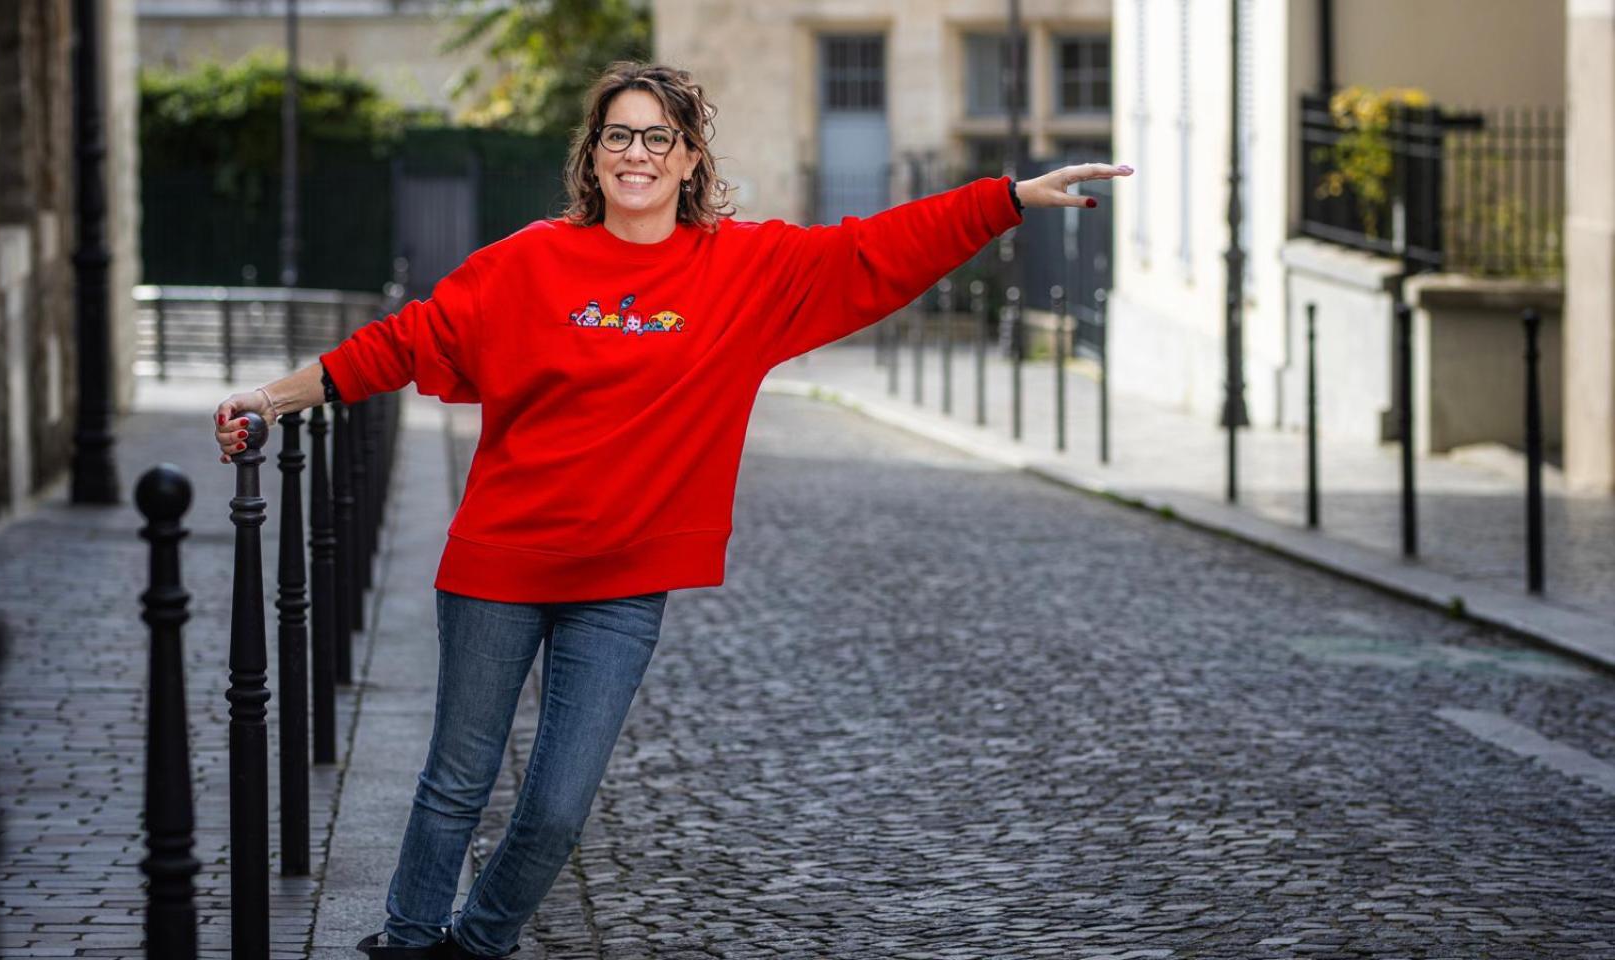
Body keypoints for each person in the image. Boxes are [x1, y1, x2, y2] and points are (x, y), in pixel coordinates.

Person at [212, 61, 1131, 960]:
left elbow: (873, 250)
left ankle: (480, 940)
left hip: (624, 583)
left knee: (560, 805)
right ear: (595, 154)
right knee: (457, 780)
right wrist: (269, 400)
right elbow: (404, 341)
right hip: (500, 561)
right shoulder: (527, 260)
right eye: (621, 135)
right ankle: (409, 942)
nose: (638, 153)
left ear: (691, 158)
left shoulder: (747, 270)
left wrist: (1004, 198)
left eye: (660, 136)